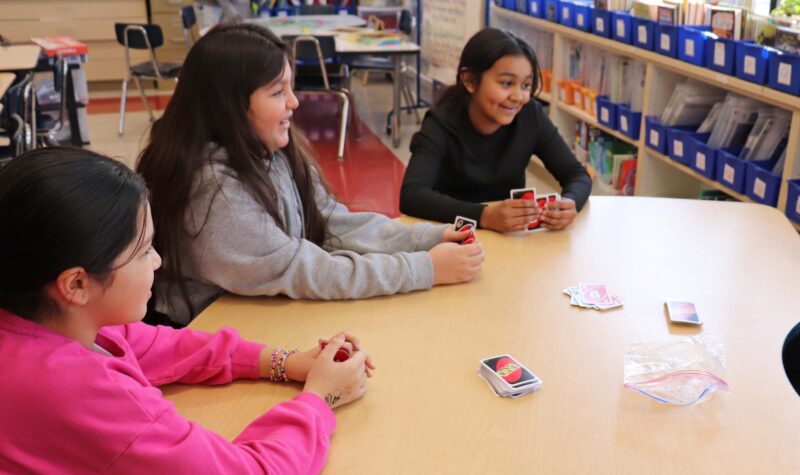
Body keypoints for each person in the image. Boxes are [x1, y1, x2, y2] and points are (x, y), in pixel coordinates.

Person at [0, 147, 375, 473]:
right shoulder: (81, 390)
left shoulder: (47, 317)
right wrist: (319, 398)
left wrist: (282, 361)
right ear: (77, 285)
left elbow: (153, 345)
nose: (158, 261)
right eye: (144, 250)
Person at [136, 23, 484, 326]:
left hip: (262, 316)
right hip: (214, 335)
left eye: (290, 87)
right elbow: (302, 269)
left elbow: (330, 220)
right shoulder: (212, 189)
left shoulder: (266, 150)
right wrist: (424, 269)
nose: (295, 102)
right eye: (277, 92)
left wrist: (427, 239)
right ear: (228, 104)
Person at [400, 28, 592, 233]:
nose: (519, 96)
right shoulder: (441, 123)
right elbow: (412, 195)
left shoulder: (530, 116)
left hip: (509, 237)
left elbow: (577, 175)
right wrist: (485, 215)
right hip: (451, 235)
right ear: (470, 81)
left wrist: (570, 203)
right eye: (507, 83)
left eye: (526, 85)